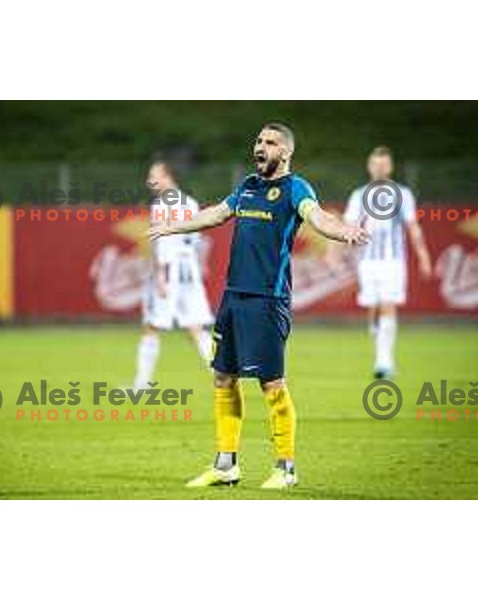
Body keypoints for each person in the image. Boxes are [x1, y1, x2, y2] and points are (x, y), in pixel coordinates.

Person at [149, 123, 370, 489]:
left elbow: (317, 217)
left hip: (268, 300)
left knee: (271, 384)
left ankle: (286, 469)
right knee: (222, 377)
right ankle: (225, 465)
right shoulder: (248, 186)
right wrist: (174, 227)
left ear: (285, 152)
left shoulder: (295, 188)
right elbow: (217, 214)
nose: (260, 147)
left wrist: (342, 230)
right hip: (233, 297)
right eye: (258, 140)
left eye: (270, 142)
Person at [343, 146, 432, 379]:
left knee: (388, 304)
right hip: (367, 261)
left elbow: (413, 227)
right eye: (376, 164)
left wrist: (423, 255)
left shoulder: (403, 194)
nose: (380, 168)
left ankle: (384, 361)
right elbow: (348, 226)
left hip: (393, 261)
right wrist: (336, 252)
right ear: (369, 166)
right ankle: (381, 354)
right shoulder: (359, 195)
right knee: (373, 310)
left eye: (384, 164)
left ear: (390, 167)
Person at [133, 161, 214, 390]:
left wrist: (161, 274)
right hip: (189, 268)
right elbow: (198, 240)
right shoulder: (190, 202)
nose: (150, 181)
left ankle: (142, 384)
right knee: (195, 327)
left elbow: (163, 242)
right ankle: (223, 378)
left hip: (170, 269)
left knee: (152, 324)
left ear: (168, 177)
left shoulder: (161, 205)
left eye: (154, 176)